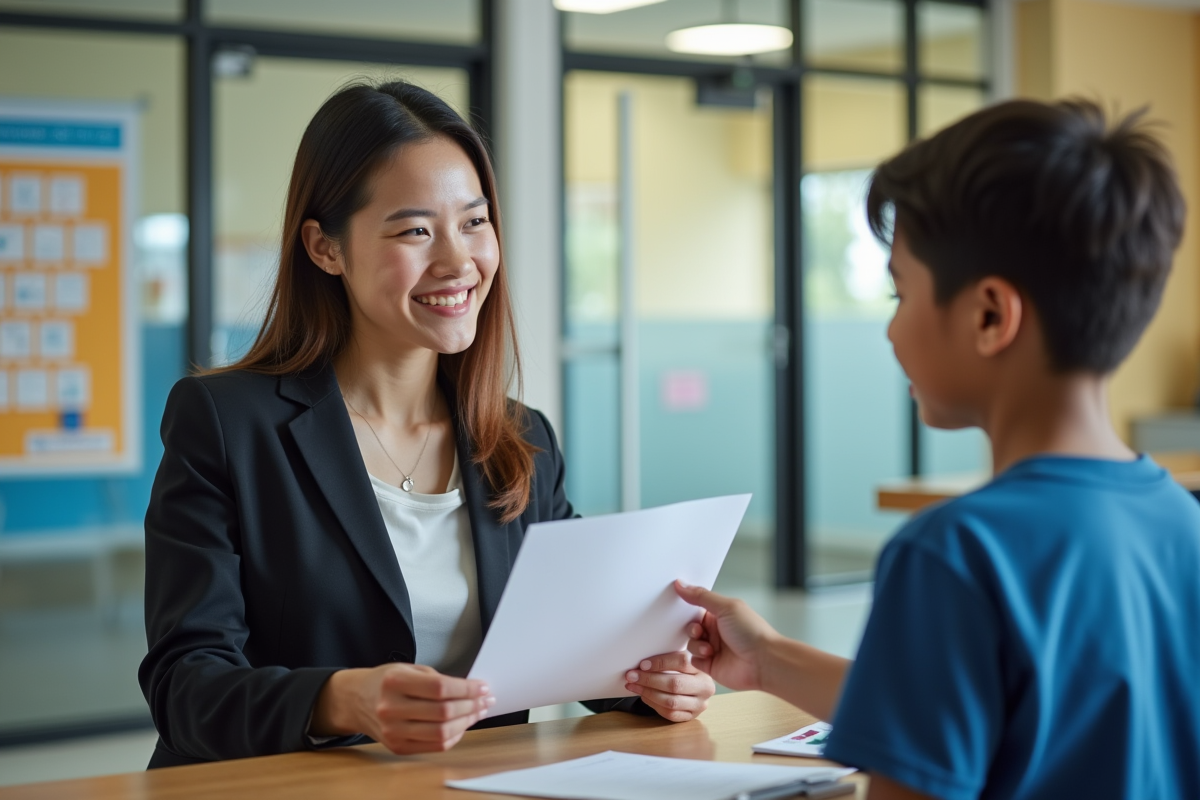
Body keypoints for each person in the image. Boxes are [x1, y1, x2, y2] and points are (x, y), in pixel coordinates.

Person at [139, 80, 714, 769]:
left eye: (474, 222)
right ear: (325, 248)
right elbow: (184, 686)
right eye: (415, 230)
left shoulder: (519, 439)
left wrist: (654, 683)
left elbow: (573, 645)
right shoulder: (228, 424)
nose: (458, 261)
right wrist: (342, 700)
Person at [672, 98, 1200, 800]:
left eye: (901, 294)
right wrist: (767, 659)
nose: (892, 333)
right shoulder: (1180, 523)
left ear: (989, 315)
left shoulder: (953, 553)